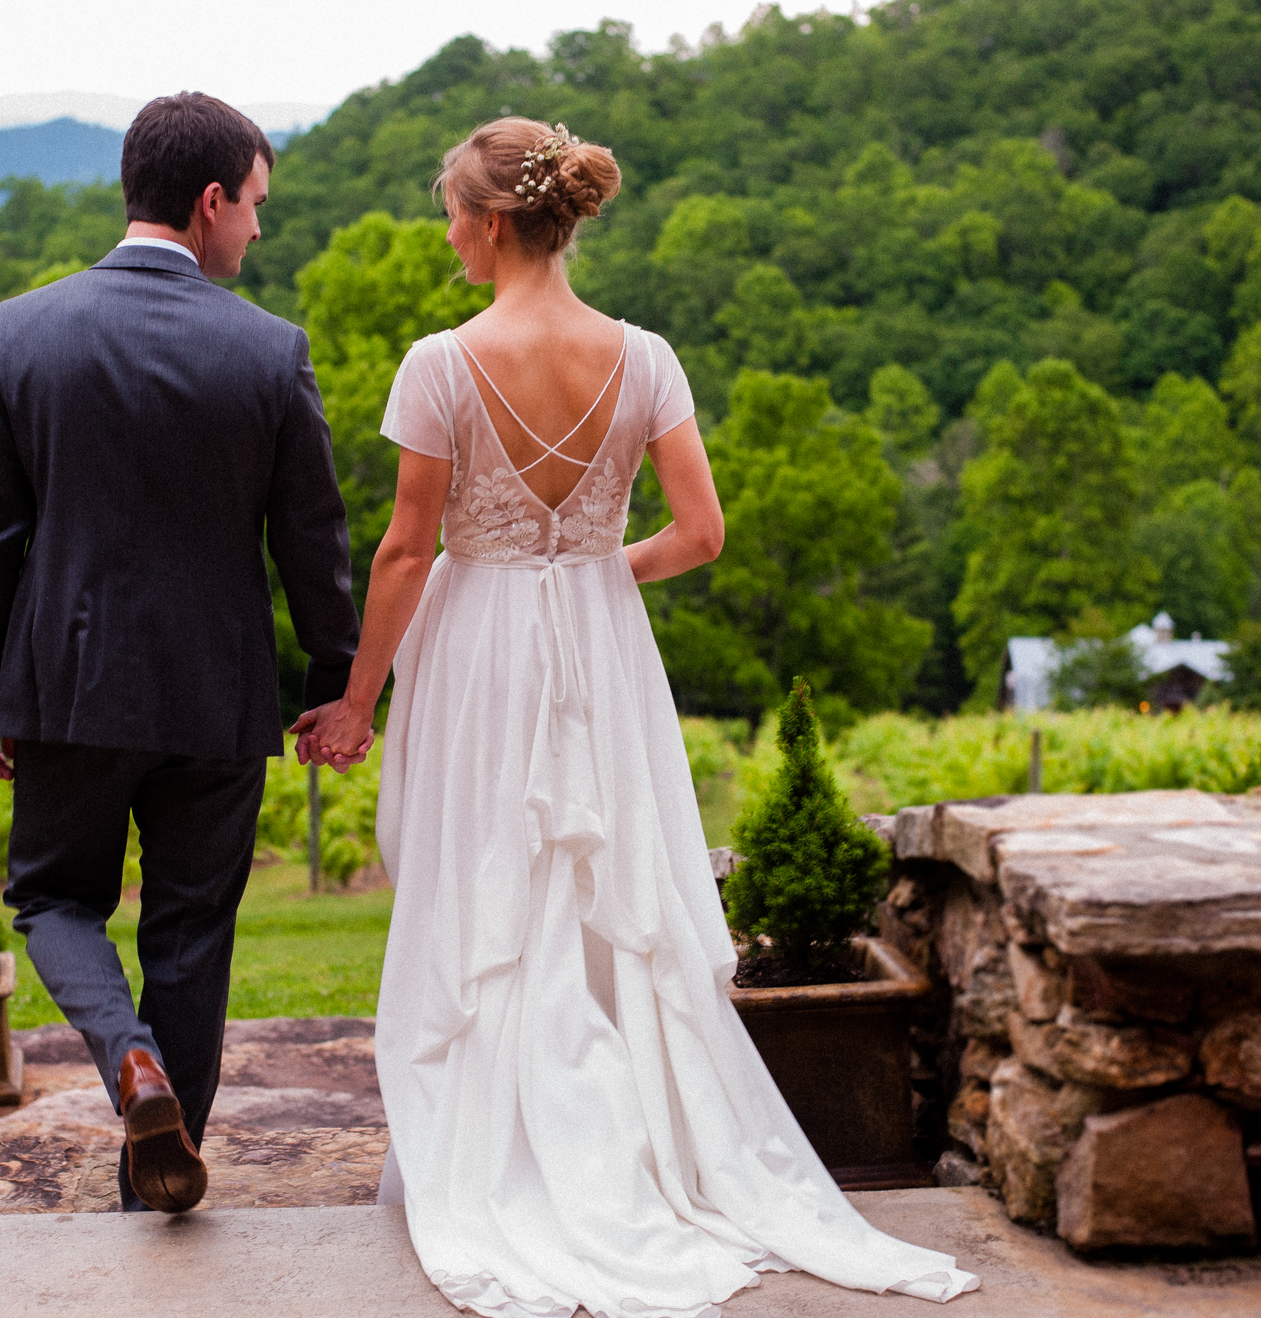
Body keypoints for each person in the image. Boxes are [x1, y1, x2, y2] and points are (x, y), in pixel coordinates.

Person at [296, 119, 980, 1314]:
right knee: (606, 893)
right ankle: (643, 1151)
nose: (448, 234)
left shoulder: (439, 364)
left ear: (494, 221)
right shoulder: (646, 356)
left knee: (489, 880)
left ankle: (512, 1157)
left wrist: (359, 698)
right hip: (601, 647)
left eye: (454, 213)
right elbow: (703, 534)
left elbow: (407, 549)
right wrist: (600, 572)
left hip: (479, 648)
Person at [0, 92, 362, 1215]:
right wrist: (335, 682)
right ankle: (157, 1163)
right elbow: (314, 543)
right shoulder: (271, 351)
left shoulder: (20, 330)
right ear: (210, 200)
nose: (259, 233)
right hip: (215, 697)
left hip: (66, 684)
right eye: (257, 208)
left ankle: (129, 1065)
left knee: (51, 899)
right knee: (191, 932)